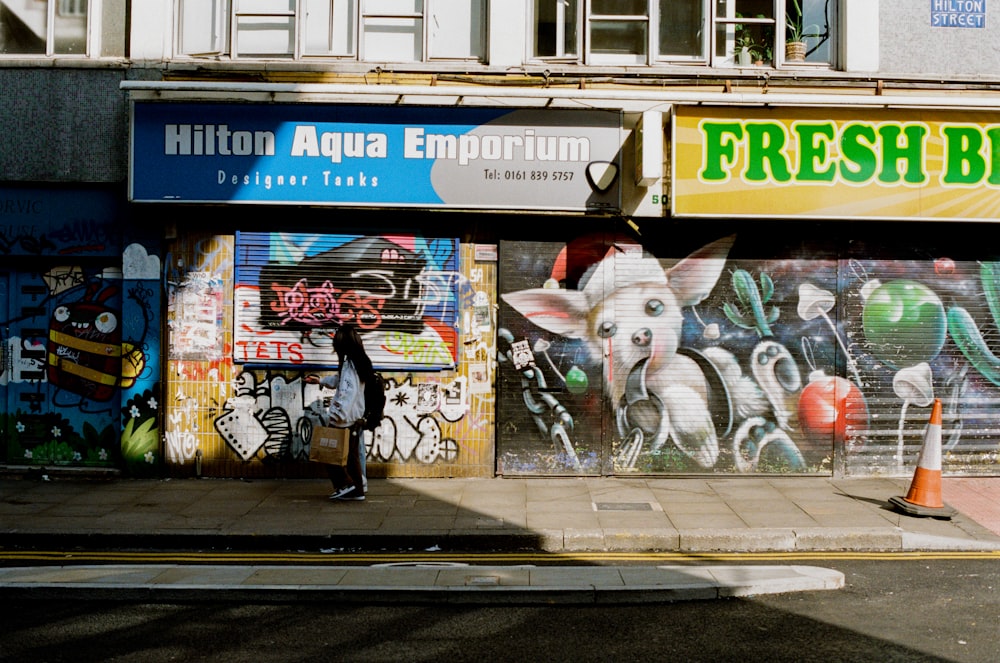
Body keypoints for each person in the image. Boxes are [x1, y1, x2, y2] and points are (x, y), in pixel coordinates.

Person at [305, 323, 374, 501]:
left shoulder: (351, 366)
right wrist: (321, 381)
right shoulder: (357, 363)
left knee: (328, 454)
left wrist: (336, 416)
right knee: (351, 459)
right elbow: (340, 381)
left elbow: (346, 393)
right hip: (353, 419)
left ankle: (346, 485)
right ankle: (357, 489)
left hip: (344, 420)